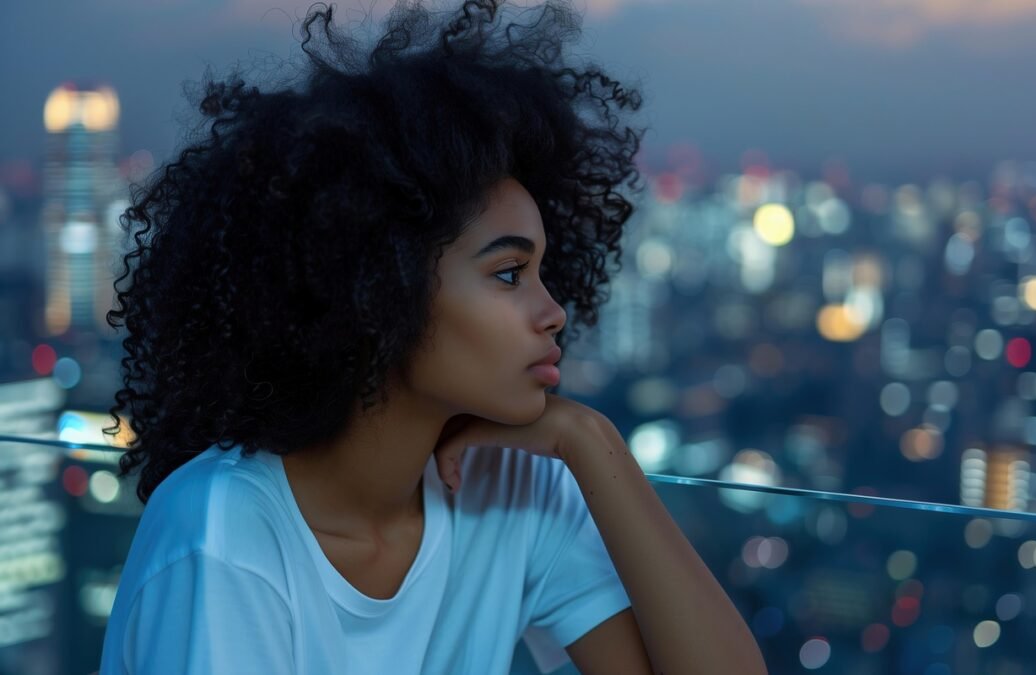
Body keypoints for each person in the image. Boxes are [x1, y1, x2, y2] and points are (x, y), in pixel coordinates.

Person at [98, 1, 767, 673]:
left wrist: (590, 444)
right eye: (509, 273)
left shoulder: (514, 489)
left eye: (542, 269)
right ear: (379, 288)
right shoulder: (223, 534)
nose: (555, 310)